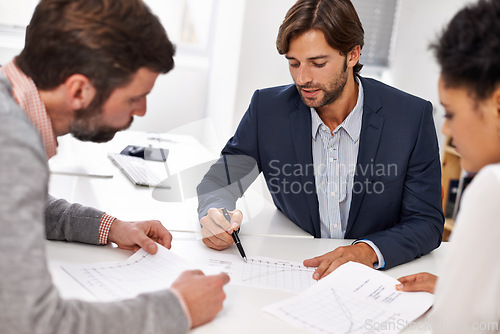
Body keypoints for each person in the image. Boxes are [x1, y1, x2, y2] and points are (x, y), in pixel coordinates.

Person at [0, 1, 229, 333]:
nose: (143, 110)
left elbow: (18, 204)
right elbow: (33, 323)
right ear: (79, 90)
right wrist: (180, 308)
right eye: (134, 97)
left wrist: (109, 227)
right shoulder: (13, 144)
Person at [197, 0, 444, 278]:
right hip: (295, 268)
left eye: (318, 63)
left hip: (376, 278)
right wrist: (214, 213)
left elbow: (426, 222)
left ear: (352, 55)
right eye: (294, 63)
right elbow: (221, 180)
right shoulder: (267, 111)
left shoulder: (411, 117)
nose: (303, 78)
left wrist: (366, 251)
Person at [395, 0, 500, 332]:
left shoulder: (491, 188)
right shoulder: (268, 108)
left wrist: (459, 297)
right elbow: (232, 169)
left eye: (451, 113)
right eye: (294, 63)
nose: (446, 129)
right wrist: (224, 204)